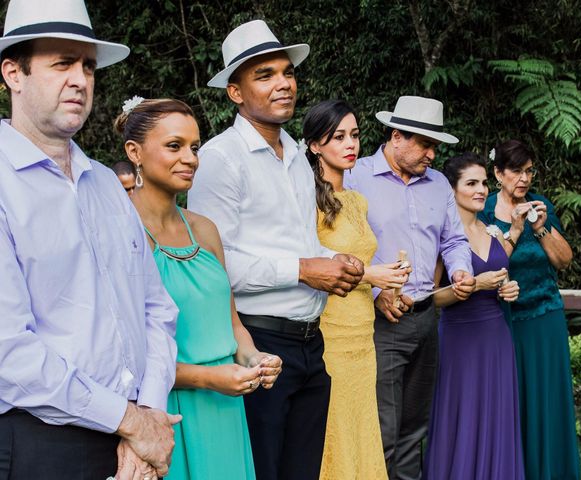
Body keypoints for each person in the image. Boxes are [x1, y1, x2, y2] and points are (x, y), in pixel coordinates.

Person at [0, 1, 180, 479]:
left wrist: (149, 416)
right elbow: (9, 351)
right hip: (41, 444)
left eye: (87, 66)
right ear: (13, 73)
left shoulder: (105, 183)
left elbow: (157, 309)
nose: (80, 79)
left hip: (134, 442)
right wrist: (131, 421)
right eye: (62, 63)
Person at [189, 20, 364, 480]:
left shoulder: (295, 153)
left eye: (287, 72)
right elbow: (213, 265)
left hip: (312, 341)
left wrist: (332, 259)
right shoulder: (219, 159)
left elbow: (296, 241)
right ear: (235, 92)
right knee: (261, 470)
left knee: (302, 472)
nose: (283, 83)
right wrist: (306, 269)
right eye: (264, 75)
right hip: (258, 344)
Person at [115, 97, 283, 480]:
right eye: (174, 146)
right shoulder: (118, 230)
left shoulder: (204, 229)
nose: (190, 158)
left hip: (225, 407)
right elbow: (125, 352)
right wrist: (210, 378)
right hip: (162, 408)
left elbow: (232, 322)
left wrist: (254, 358)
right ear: (134, 152)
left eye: (194, 147)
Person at [344, 95, 475, 480]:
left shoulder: (437, 185)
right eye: (426, 144)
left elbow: (453, 240)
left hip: (425, 317)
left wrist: (460, 270)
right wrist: (375, 292)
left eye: (435, 146)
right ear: (396, 136)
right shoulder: (355, 176)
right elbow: (339, 247)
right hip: (378, 322)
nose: (433, 155)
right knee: (382, 426)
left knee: (414, 427)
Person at [303, 99, 410, 480]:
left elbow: (363, 259)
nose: (351, 144)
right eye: (338, 137)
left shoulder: (358, 201)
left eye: (355, 135)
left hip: (365, 333)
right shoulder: (307, 202)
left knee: (362, 425)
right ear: (315, 145)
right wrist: (372, 274)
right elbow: (314, 259)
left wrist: (389, 282)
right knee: (333, 428)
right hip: (330, 330)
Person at [480, 139, 581, 479]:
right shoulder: (482, 210)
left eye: (528, 171)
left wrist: (539, 228)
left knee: (547, 401)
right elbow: (485, 266)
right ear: (498, 173)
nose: (523, 179)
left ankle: (550, 471)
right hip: (503, 321)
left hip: (545, 317)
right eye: (515, 171)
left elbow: (563, 261)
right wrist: (514, 229)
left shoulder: (542, 206)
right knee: (510, 401)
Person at [422, 152, 525, 480]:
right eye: (472, 183)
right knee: (462, 419)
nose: (481, 189)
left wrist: (508, 290)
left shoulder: (493, 233)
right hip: (459, 342)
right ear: (451, 190)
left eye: (483, 182)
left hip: (496, 338)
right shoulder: (441, 236)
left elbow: (502, 278)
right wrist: (473, 285)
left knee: (497, 418)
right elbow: (430, 298)